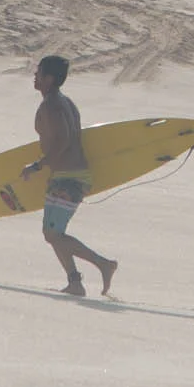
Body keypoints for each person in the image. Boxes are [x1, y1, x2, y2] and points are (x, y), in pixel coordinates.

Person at [22, 54, 116, 297]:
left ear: (49, 79)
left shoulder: (51, 106)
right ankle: (75, 282)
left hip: (68, 177)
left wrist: (38, 165)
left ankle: (103, 264)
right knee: (53, 234)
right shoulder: (65, 102)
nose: (35, 75)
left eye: (39, 72)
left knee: (53, 234)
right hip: (70, 175)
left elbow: (63, 140)